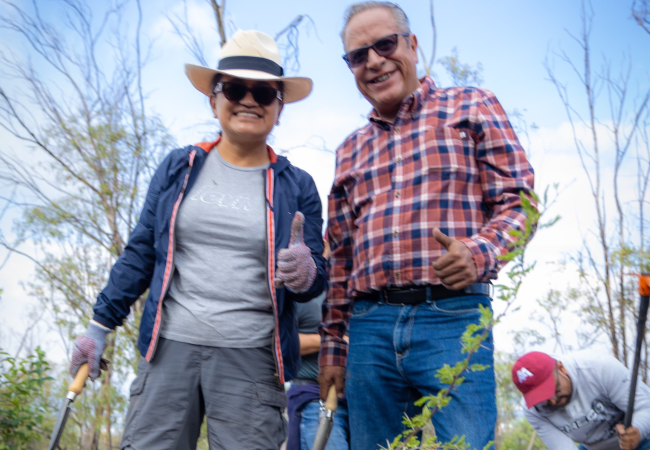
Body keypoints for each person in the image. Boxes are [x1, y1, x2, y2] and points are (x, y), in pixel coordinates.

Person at [69, 30, 327, 450]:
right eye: (236, 88)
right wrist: (98, 329)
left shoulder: (297, 186)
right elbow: (140, 253)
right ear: (214, 100)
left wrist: (307, 270)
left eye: (263, 92)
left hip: (253, 359)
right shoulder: (178, 167)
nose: (248, 100)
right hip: (168, 350)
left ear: (279, 107)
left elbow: (315, 279)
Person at [317, 2, 536, 449]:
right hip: (369, 329)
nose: (374, 60)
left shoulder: (472, 106)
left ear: (412, 46)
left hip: (452, 319)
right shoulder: (348, 151)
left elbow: (520, 204)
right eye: (359, 55)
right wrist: (334, 348)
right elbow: (339, 259)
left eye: (385, 44)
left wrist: (478, 253)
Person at [512, 351, 650, 450]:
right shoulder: (533, 409)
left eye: (554, 391)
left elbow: (646, 408)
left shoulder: (599, 367)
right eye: (543, 399)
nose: (552, 402)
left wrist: (637, 430)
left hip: (644, 439)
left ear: (562, 368)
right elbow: (562, 447)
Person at [286, 240, 350, 450]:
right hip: (316, 396)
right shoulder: (304, 291)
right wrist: (335, 341)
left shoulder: (363, 288)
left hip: (362, 400)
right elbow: (281, 344)